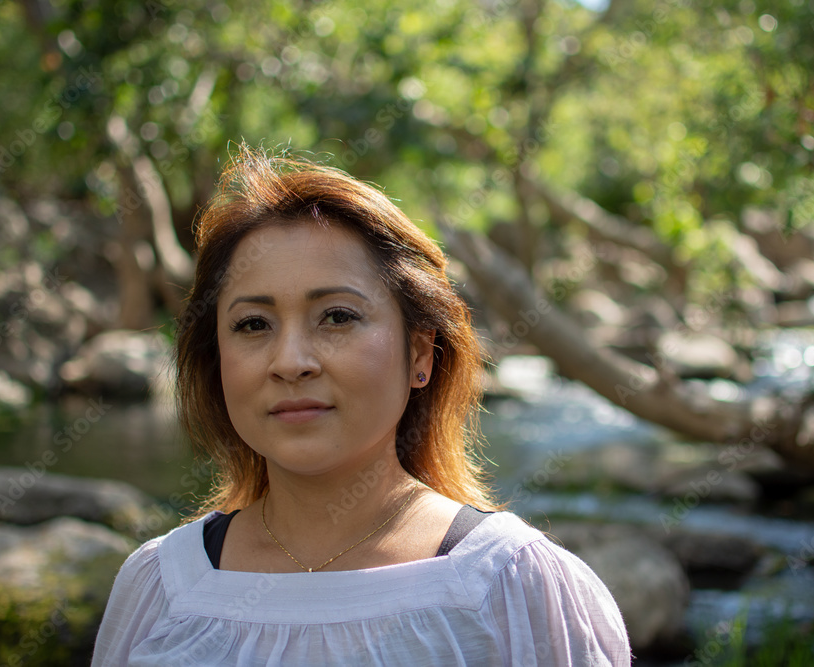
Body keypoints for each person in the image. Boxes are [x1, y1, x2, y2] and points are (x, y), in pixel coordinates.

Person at [91, 146, 631, 666]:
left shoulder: (513, 588)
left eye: (337, 317)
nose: (291, 362)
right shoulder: (160, 589)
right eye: (253, 324)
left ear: (419, 353)